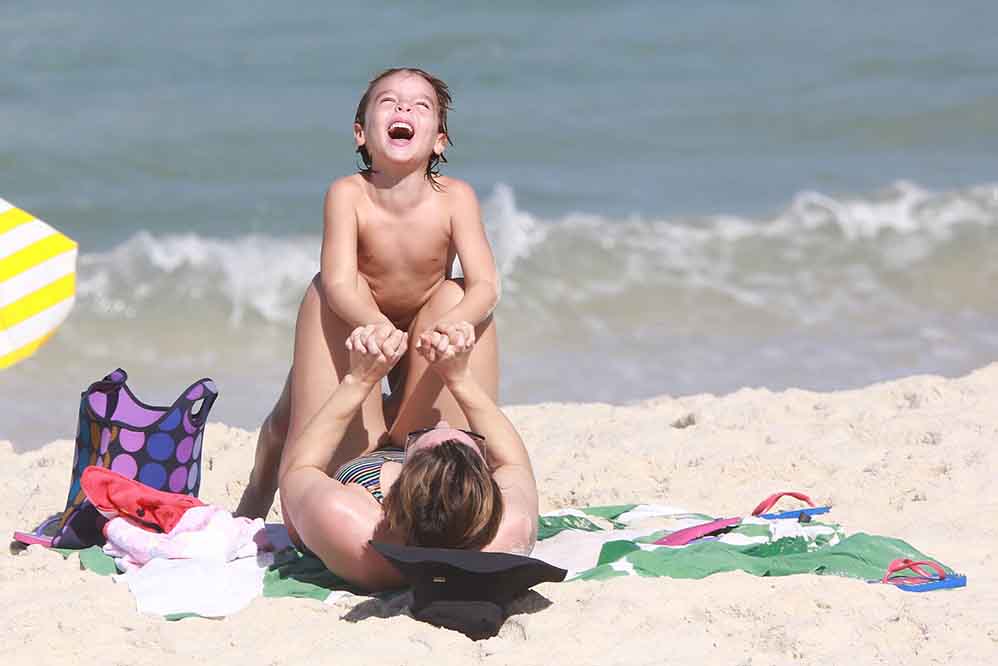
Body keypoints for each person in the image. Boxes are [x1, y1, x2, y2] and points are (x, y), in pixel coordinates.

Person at [233, 67, 538, 588]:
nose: (403, 110)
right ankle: (252, 500)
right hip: (362, 319)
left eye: (421, 107)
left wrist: (456, 324)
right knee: (287, 410)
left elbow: (486, 285)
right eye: (389, 103)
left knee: (457, 291)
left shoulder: (455, 196)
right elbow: (339, 281)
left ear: (439, 139)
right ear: (361, 133)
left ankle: (387, 429)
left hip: (416, 334)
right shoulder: (349, 193)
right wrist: (378, 327)